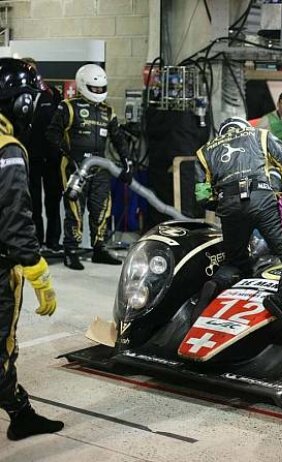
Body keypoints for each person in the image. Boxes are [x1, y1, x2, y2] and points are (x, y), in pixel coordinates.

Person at [194, 117, 282, 343]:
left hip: (228, 204)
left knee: (236, 262)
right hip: (262, 199)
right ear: (244, 127)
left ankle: (214, 285)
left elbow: (201, 196)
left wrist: (222, 205)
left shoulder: (204, 151)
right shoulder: (258, 134)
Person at [0, 58, 64, 441]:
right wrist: (36, 268)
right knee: (2, 346)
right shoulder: (8, 149)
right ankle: (20, 412)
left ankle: (21, 413)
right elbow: (15, 217)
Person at [46, 63, 129, 270]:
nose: (99, 92)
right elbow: (52, 134)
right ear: (83, 85)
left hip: (100, 166)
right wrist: (67, 153)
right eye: (95, 88)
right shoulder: (68, 106)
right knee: (74, 209)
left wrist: (127, 161)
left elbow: (118, 138)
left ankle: (99, 248)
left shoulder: (107, 111)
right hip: (74, 166)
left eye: (102, 88)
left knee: (102, 207)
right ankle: (71, 251)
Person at [22, 58, 63, 251]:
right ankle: (36, 239)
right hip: (30, 156)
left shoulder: (52, 93)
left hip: (52, 156)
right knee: (32, 202)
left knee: (53, 200)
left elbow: (62, 121)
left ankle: (53, 241)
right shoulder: (19, 96)